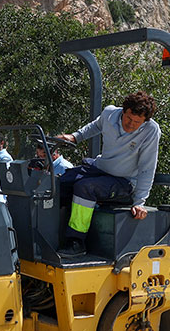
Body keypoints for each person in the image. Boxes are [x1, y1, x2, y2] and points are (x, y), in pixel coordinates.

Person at [55, 91, 160, 258]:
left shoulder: (151, 131)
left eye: (137, 122)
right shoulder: (109, 113)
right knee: (57, 185)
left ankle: (76, 242)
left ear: (144, 121)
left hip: (123, 182)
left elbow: (147, 167)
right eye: (129, 118)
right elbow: (96, 126)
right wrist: (75, 137)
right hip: (99, 169)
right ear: (123, 111)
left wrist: (139, 201)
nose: (131, 125)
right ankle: (52, 237)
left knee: (85, 188)